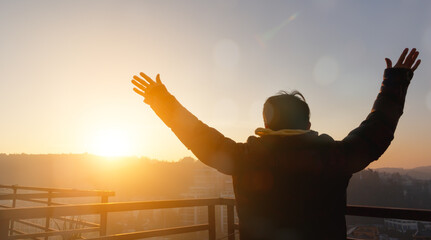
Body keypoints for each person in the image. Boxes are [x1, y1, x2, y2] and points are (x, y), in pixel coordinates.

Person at [131, 48, 421, 240]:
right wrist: (394, 83)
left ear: (266, 125)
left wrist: (162, 101)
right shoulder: (335, 157)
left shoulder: (243, 157)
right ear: (308, 125)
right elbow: (376, 130)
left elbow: (198, 135)